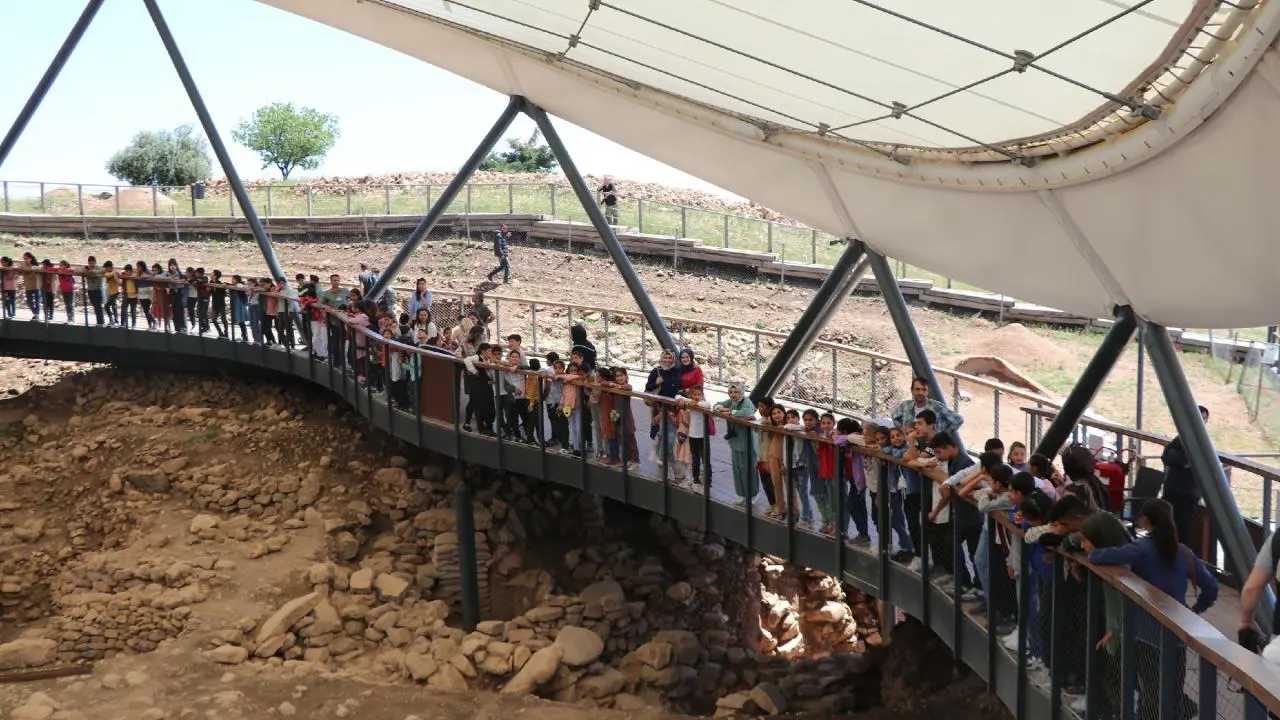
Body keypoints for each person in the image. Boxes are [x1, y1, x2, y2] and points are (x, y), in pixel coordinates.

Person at [1088, 499, 1217, 720]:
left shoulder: (1142, 548)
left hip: (1145, 632)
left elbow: (1104, 556)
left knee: (1149, 690)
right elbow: (1211, 587)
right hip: (1176, 632)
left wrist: (1092, 553)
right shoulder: (1183, 552)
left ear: (1145, 521)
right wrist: (1196, 610)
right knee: (1172, 688)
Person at [1161, 404, 1209, 549]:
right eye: (1199, 418)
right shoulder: (1182, 437)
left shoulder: (1203, 441)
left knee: (1183, 527)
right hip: (1173, 488)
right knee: (1163, 520)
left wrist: (1181, 461)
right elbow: (1166, 456)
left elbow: (1196, 460)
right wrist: (1184, 462)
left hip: (1188, 493)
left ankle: (1180, 555)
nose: (1202, 422)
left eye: (1204, 419)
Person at [714, 381, 758, 505]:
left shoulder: (746, 402)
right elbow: (717, 405)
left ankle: (753, 494)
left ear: (741, 392)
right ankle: (742, 494)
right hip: (735, 441)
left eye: (736, 392)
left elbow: (746, 412)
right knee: (737, 468)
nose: (733, 394)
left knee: (749, 468)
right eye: (731, 392)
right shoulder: (731, 402)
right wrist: (721, 408)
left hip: (747, 441)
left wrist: (730, 412)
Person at [892, 377, 964, 438]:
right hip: (910, 445)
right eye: (917, 389)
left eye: (924, 390)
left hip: (931, 446)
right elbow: (894, 416)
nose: (921, 393)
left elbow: (958, 420)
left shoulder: (936, 406)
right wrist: (902, 431)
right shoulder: (905, 405)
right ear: (912, 390)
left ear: (927, 392)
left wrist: (943, 435)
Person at [83, 256, 105, 326]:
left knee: (98, 306)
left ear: (95, 262)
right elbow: (79, 270)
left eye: (92, 263)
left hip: (97, 290)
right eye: (90, 263)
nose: (91, 264)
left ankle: (101, 322)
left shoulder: (99, 268)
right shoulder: (87, 268)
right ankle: (98, 321)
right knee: (95, 306)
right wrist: (86, 271)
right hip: (90, 290)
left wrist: (93, 272)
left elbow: (103, 270)